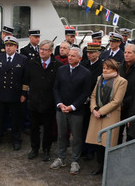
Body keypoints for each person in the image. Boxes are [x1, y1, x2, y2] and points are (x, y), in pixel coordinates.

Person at [50, 47, 91, 175]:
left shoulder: (85, 73)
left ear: (80, 58)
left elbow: (85, 93)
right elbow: (56, 88)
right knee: (61, 135)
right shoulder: (61, 69)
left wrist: (73, 106)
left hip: (76, 111)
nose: (70, 58)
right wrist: (60, 104)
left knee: (77, 137)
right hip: (61, 109)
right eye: (69, 55)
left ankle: (74, 160)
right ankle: (61, 158)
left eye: (73, 56)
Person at [85, 59, 127, 175]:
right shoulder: (100, 79)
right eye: (104, 68)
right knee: (98, 142)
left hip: (110, 116)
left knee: (107, 143)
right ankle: (99, 165)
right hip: (96, 115)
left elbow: (117, 101)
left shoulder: (121, 81)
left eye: (108, 68)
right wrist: (93, 109)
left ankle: (108, 167)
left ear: (115, 69)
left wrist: (101, 111)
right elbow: (93, 96)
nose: (105, 70)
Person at [25, 40, 63, 162]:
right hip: (34, 101)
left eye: (45, 49)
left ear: (51, 51)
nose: (41, 51)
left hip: (49, 102)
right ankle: (34, 149)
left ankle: (46, 149)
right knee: (34, 128)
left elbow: (59, 85)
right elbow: (27, 80)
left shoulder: (57, 65)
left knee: (48, 129)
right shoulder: (32, 63)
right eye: (40, 49)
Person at [0, 36, 28, 151]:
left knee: (16, 119)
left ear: (16, 47)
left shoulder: (22, 59)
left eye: (11, 45)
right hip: (1, 93)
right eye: (6, 45)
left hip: (15, 94)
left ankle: (16, 139)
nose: (8, 48)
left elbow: (25, 79)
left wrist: (23, 94)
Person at [80, 42, 103, 160]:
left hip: (94, 101)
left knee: (92, 126)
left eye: (91, 52)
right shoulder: (83, 64)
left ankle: (91, 150)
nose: (89, 54)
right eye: (88, 52)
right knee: (83, 126)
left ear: (98, 53)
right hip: (83, 101)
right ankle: (83, 148)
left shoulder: (102, 66)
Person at [117, 44, 135, 144]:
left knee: (130, 134)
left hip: (131, 107)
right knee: (116, 133)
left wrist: (124, 102)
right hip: (118, 106)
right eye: (125, 52)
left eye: (129, 53)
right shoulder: (119, 68)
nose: (126, 55)